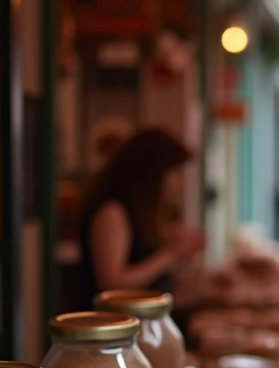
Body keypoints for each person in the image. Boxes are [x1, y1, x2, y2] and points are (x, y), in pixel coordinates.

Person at [77, 129, 205, 311]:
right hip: (115, 329)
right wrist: (171, 254)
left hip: (144, 323)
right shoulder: (112, 212)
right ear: (151, 174)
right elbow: (111, 283)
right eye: (175, 174)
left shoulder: (142, 213)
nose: (180, 184)